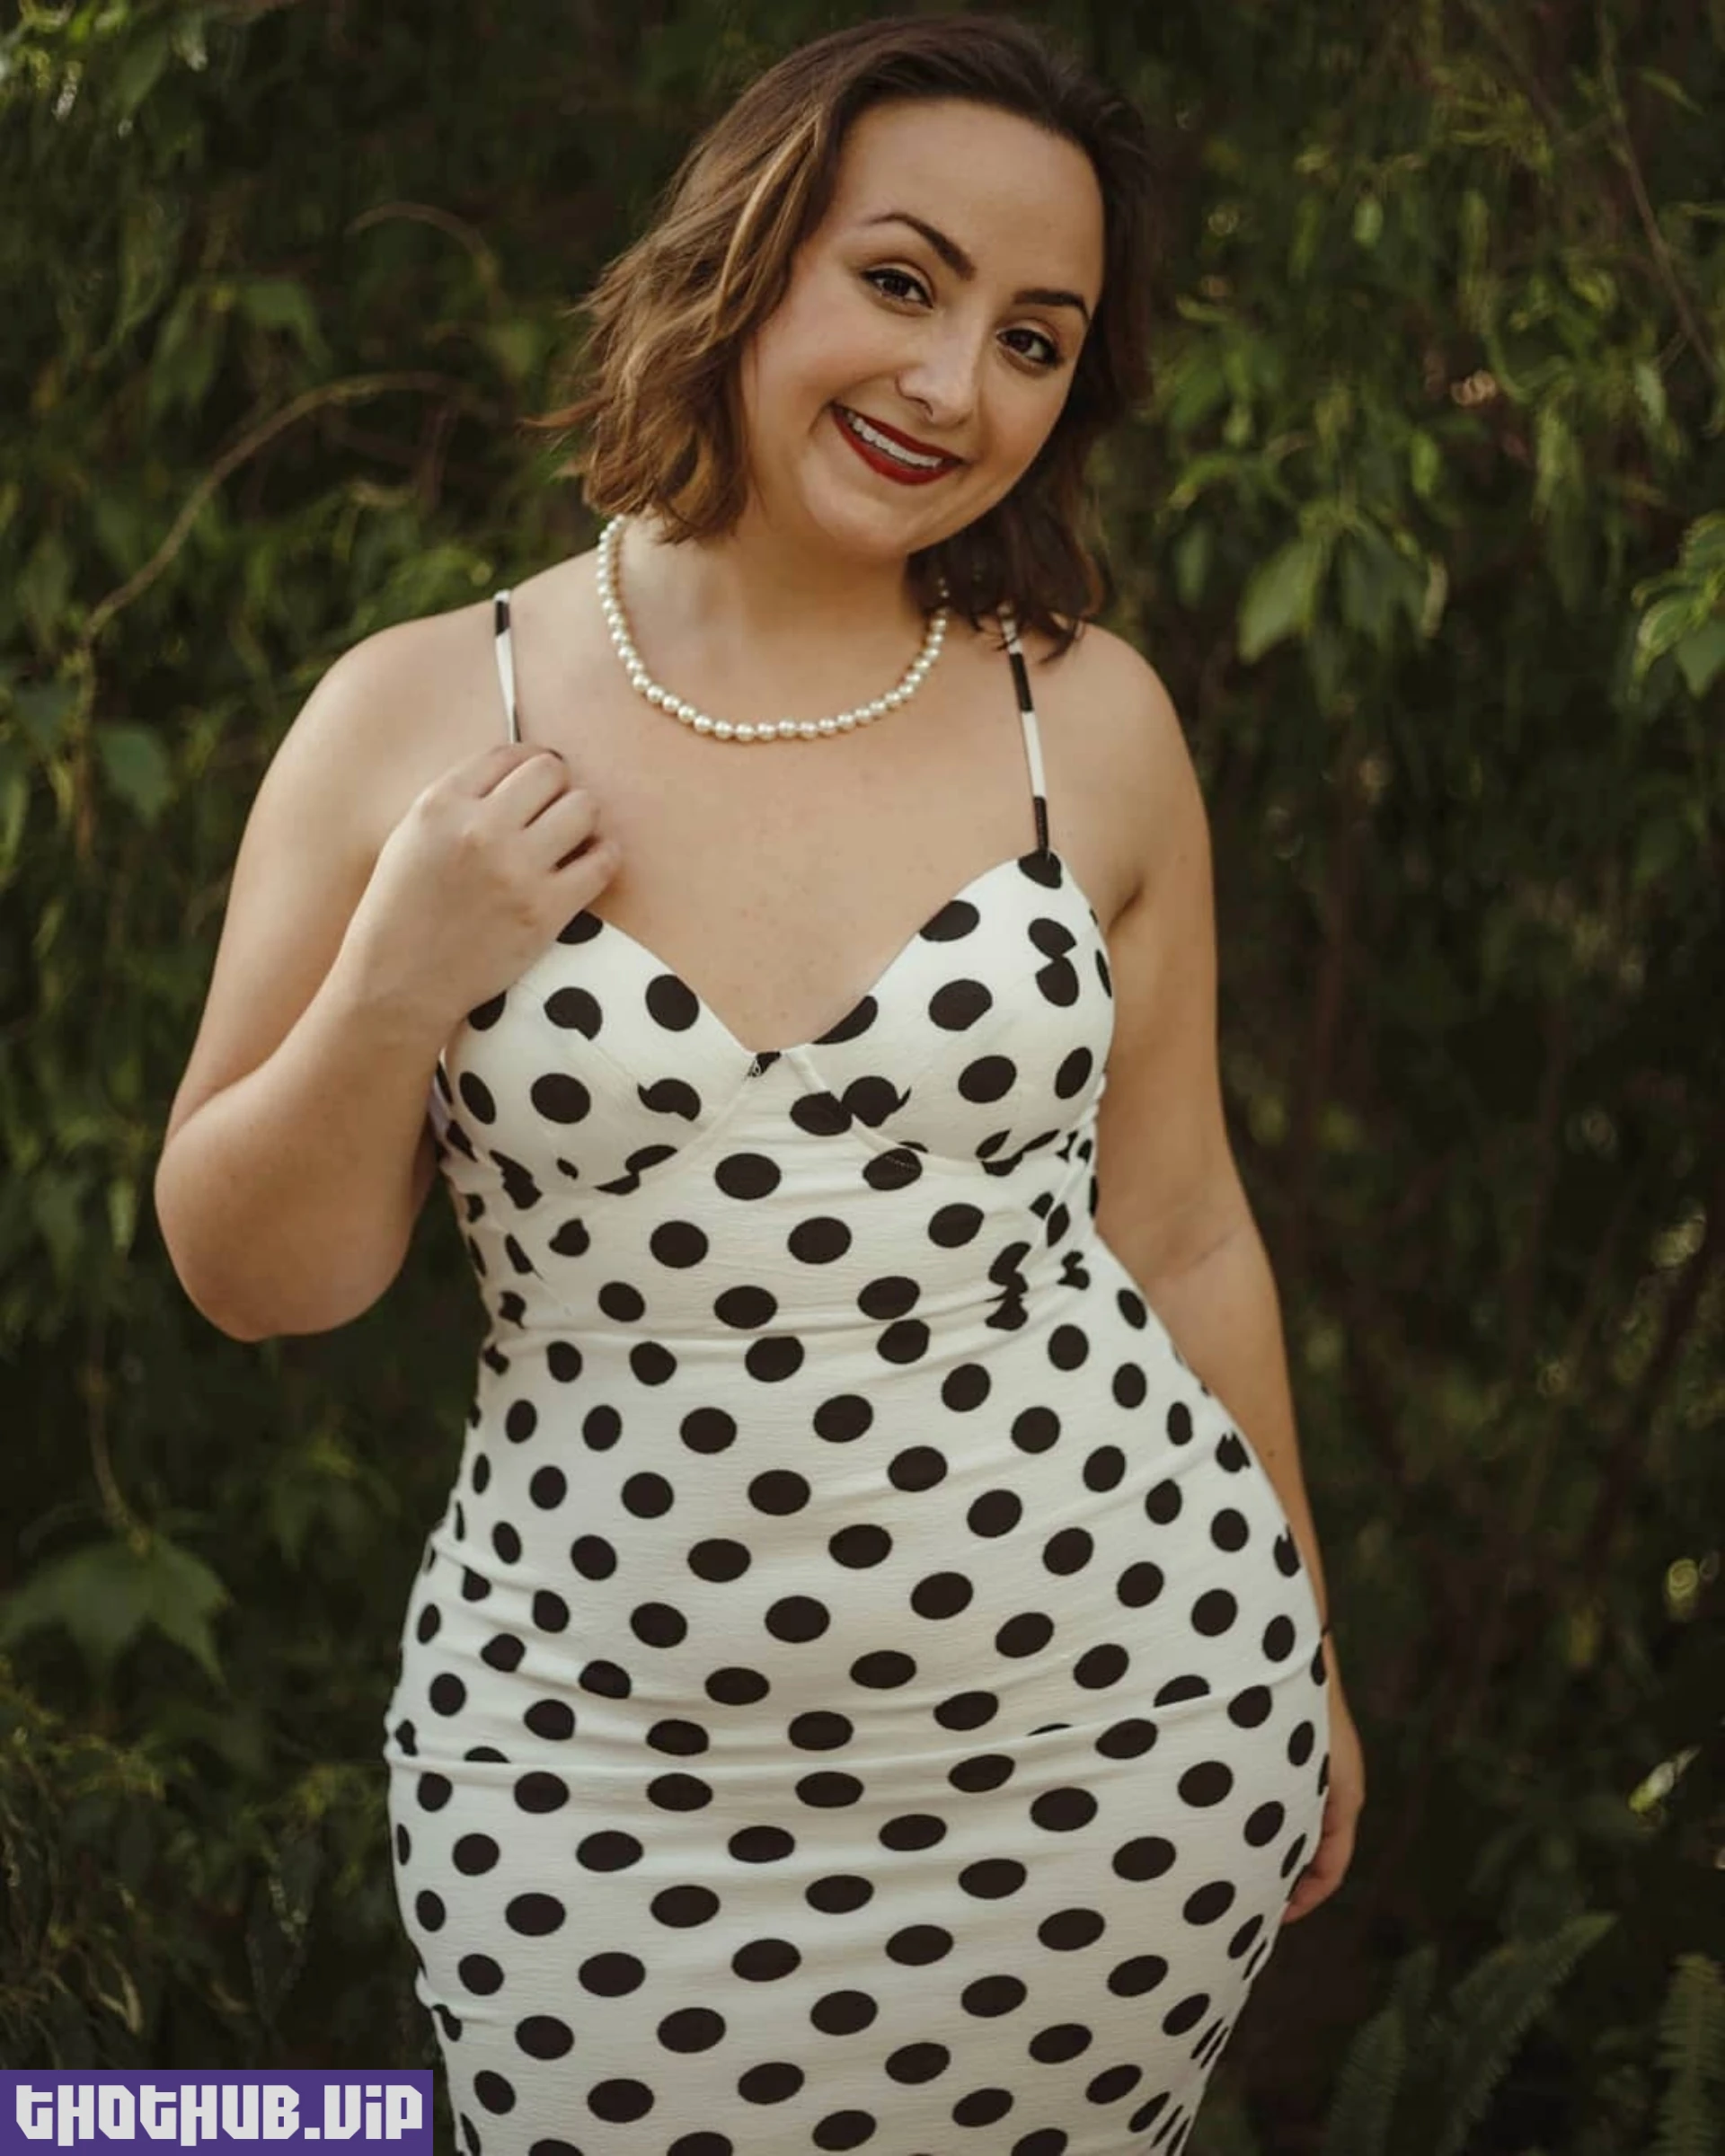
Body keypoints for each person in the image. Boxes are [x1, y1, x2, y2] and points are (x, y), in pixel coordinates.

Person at [155, 13, 1364, 2152]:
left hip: (1127, 1742)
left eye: (1033, 339)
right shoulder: (418, 715)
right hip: (594, 1800)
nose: (953, 385)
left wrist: (1312, 1650)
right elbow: (261, 1280)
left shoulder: (1087, 725)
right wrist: (396, 982)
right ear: (744, 251)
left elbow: (1181, 1231)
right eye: (901, 281)